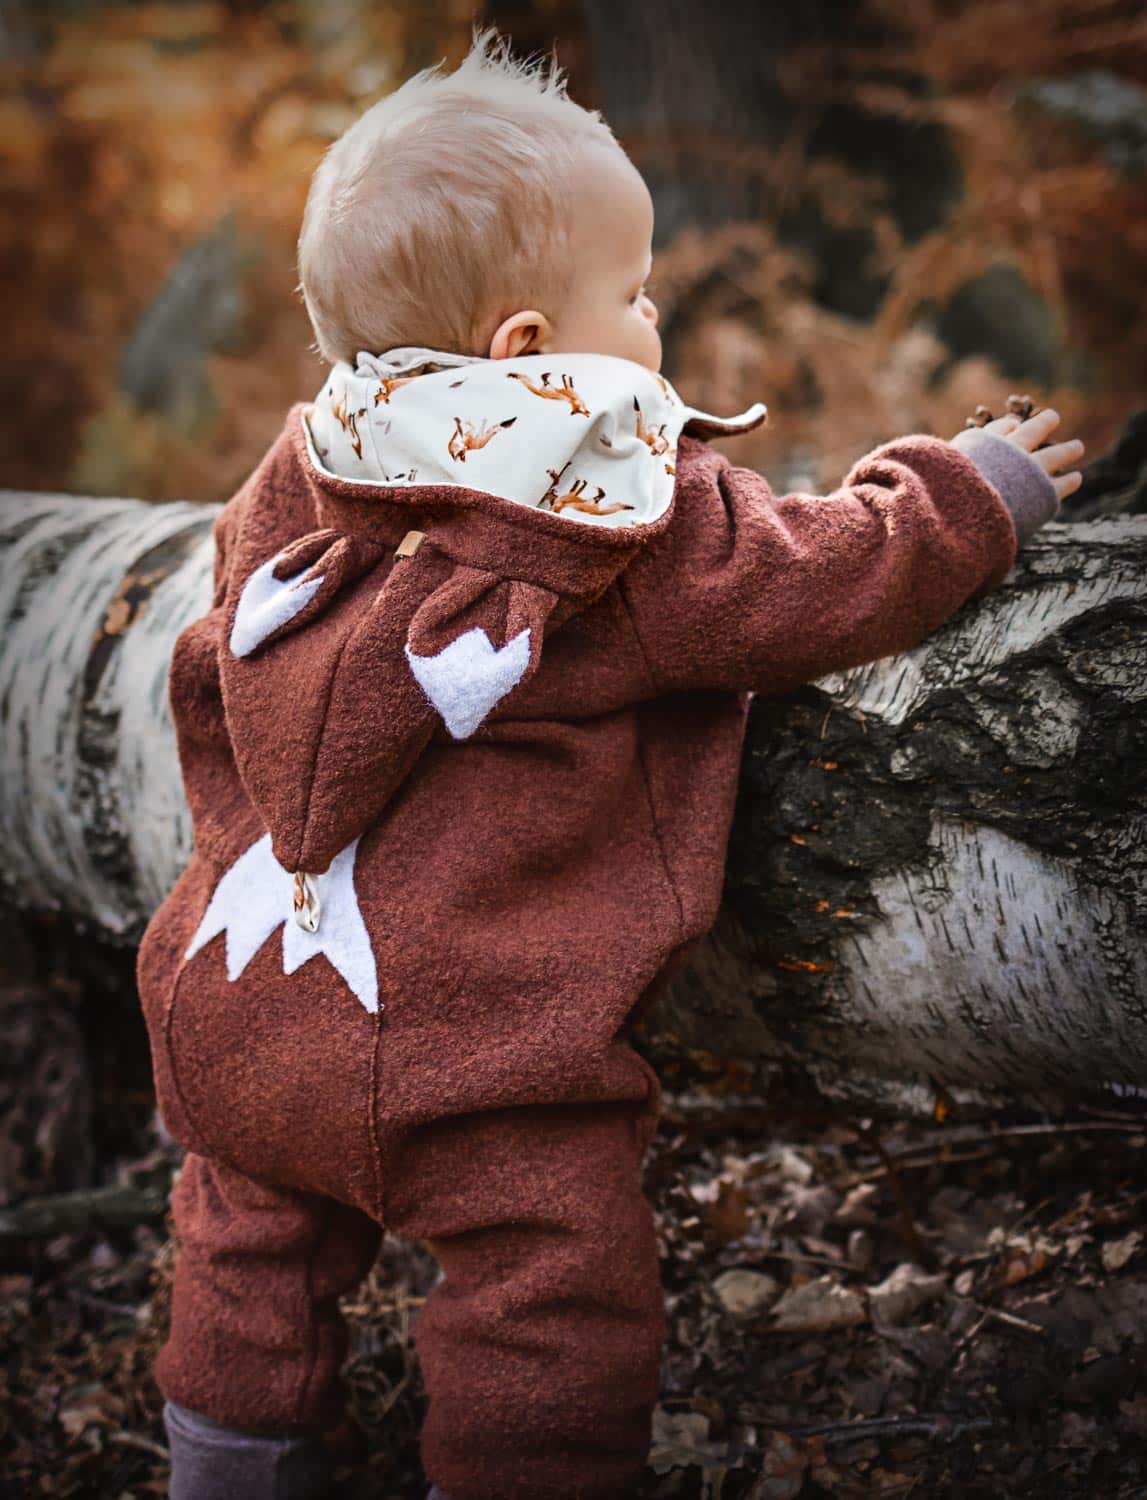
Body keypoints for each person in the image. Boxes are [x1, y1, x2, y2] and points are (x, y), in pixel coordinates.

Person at [136, 27, 1083, 1500]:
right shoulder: (609, 510)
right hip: (478, 1055)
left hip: (247, 1002)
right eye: (635, 298)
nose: (656, 324)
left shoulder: (305, 465)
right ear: (527, 350)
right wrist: (971, 492)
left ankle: (230, 1466)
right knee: (546, 1288)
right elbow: (811, 580)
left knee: (247, 1244)